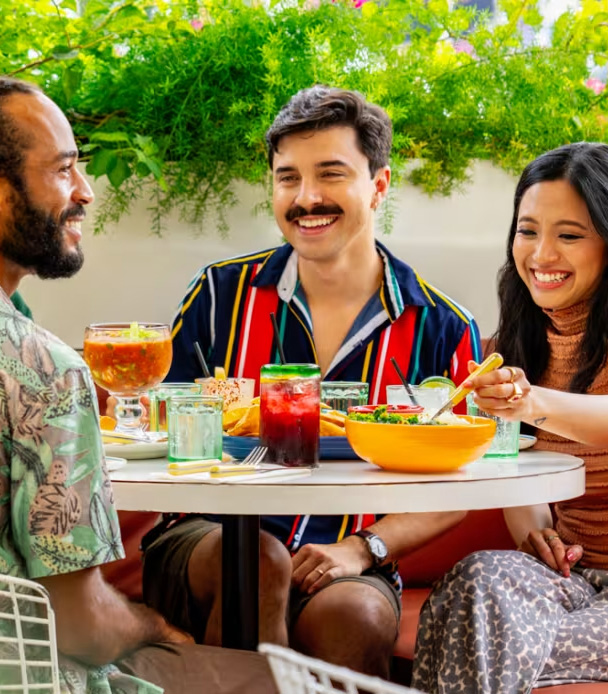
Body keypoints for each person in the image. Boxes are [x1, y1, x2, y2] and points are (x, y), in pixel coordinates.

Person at [0, 75, 275, 694]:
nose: (86, 193)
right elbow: (81, 627)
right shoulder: (42, 366)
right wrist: (148, 622)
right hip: (5, 678)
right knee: (275, 681)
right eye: (64, 169)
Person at [143, 86, 482, 679]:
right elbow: (156, 422)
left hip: (350, 550)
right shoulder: (220, 295)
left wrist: (363, 548)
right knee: (259, 563)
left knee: (356, 615)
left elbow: (458, 480)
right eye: (287, 178)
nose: (306, 199)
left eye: (330, 174)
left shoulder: (442, 325)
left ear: (378, 185)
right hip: (206, 541)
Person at [411, 142, 608, 693]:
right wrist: (538, 533)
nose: (541, 254)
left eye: (570, 235)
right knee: (476, 580)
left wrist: (530, 403)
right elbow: (511, 460)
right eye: (528, 231)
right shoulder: (512, 342)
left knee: (477, 633)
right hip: (575, 578)